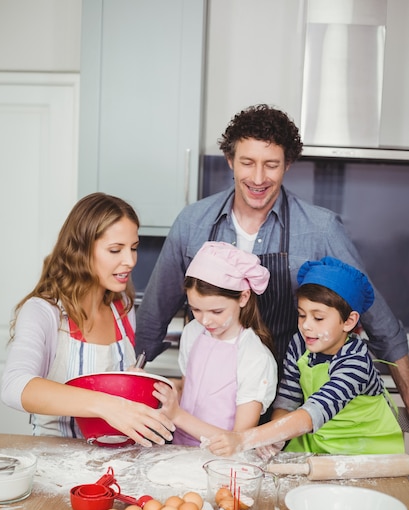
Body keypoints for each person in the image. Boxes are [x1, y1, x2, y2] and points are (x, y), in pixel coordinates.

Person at [135, 104, 409, 414]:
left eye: (271, 164)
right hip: (208, 407)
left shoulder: (321, 229)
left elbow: (380, 323)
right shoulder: (192, 223)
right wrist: (129, 386)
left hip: (288, 404)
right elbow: (153, 317)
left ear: (287, 164)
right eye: (247, 163)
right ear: (230, 161)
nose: (258, 177)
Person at [1, 192, 174, 446]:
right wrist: (108, 405)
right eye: (115, 250)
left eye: (134, 248)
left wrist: (139, 388)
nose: (130, 261)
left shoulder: (122, 308)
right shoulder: (43, 312)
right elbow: (14, 386)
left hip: (116, 459)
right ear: (82, 251)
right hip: (56, 459)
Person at [206, 257, 405, 457]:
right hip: (318, 444)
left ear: (349, 321)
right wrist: (277, 435)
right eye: (302, 315)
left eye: (318, 318)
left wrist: (244, 438)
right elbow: (288, 399)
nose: (306, 325)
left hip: (366, 452)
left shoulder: (355, 363)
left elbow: (314, 412)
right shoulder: (300, 344)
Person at [152, 241, 278, 446]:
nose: (205, 321)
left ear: (244, 297)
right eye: (196, 309)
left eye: (216, 311)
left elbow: (239, 440)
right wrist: (156, 387)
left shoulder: (255, 357)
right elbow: (188, 389)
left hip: (221, 463)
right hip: (178, 450)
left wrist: (177, 416)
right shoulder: (193, 332)